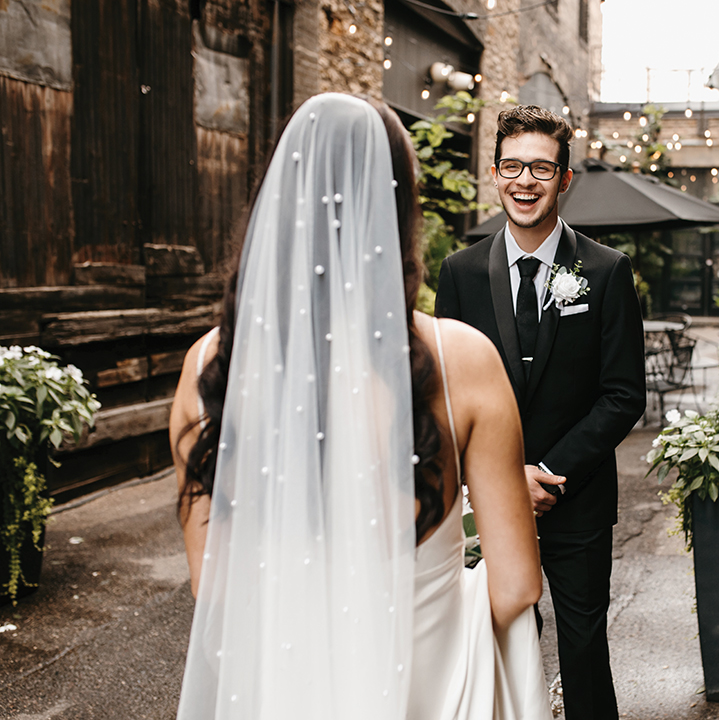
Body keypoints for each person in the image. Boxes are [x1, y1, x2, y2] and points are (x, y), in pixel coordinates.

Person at [169, 93, 553, 719]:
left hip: (284, 689)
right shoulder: (462, 360)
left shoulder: (212, 364)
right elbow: (516, 587)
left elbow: (212, 586)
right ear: (399, 210)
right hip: (423, 688)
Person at [434, 105, 647, 720]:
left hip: (574, 499)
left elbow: (622, 395)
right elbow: (448, 392)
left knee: (584, 649)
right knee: (500, 645)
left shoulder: (606, 271)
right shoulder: (460, 272)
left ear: (565, 179)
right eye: (512, 166)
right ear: (495, 174)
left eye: (541, 168)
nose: (525, 181)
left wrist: (547, 472)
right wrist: (495, 480)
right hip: (485, 504)